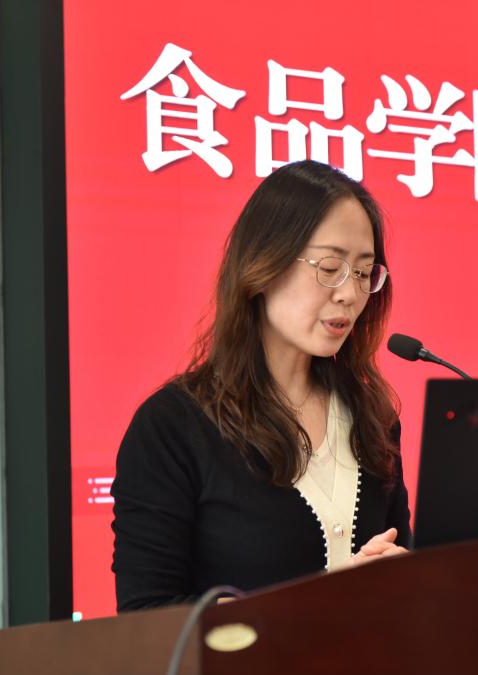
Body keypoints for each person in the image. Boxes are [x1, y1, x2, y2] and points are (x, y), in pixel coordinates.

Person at [111, 160, 411, 611]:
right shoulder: (173, 426)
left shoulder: (372, 418)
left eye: (364, 272)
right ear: (263, 265)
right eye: (330, 267)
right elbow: (146, 615)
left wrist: (407, 580)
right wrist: (309, 608)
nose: (350, 294)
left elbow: (403, 561)